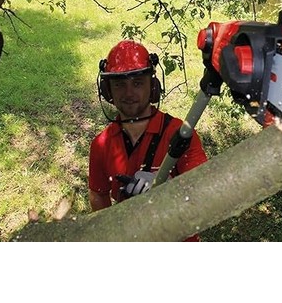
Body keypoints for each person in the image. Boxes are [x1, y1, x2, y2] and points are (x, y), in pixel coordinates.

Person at [88, 39, 207, 241]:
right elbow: (98, 194)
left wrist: (168, 188)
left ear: (152, 86)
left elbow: (204, 191)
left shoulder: (180, 134)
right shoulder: (102, 144)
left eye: (137, 83)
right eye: (119, 85)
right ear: (107, 91)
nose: (129, 93)